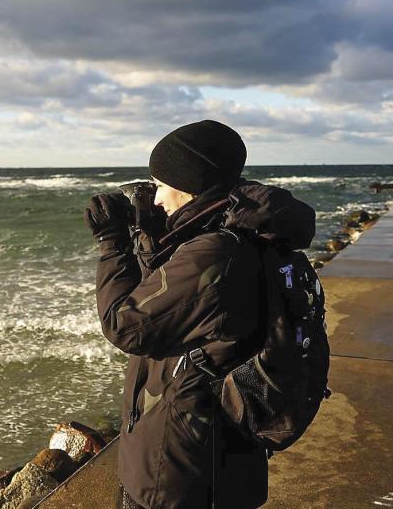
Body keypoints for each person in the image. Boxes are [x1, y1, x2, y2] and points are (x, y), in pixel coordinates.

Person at [85, 120, 315, 509]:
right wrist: (151, 237)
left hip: (183, 461)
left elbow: (126, 325)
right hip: (221, 450)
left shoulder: (215, 251)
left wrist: (112, 244)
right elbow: (169, 297)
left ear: (190, 185)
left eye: (160, 186)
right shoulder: (237, 232)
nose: (156, 199)